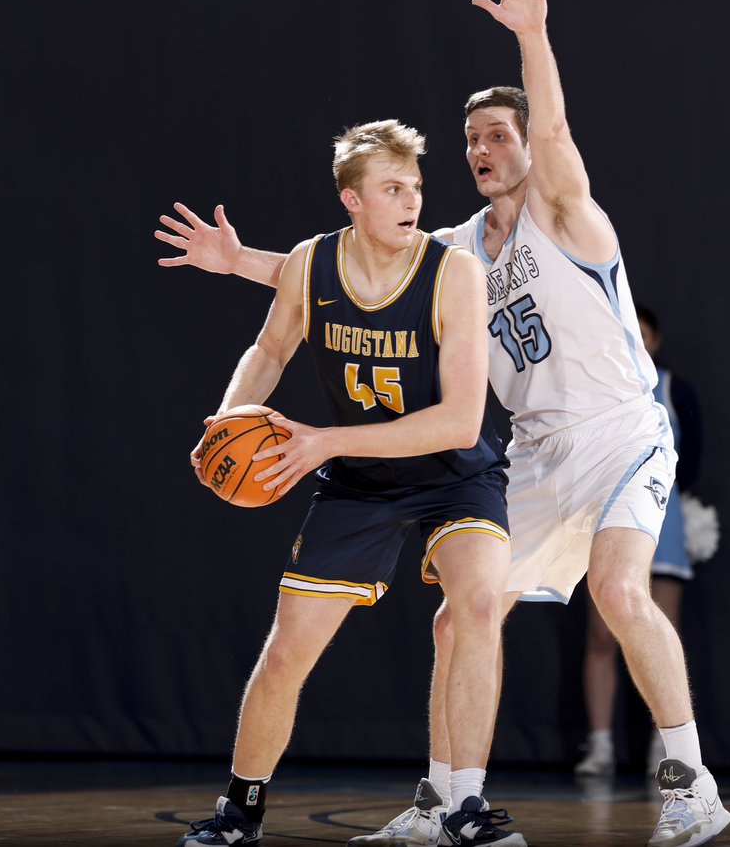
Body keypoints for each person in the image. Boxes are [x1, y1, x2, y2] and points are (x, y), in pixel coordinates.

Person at [157, 0, 730, 845]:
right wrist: (240, 264)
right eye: (470, 139)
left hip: (622, 432)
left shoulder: (566, 214)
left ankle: (691, 784)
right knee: (462, 615)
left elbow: (555, 129)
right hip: (535, 454)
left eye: (498, 135)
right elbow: (349, 264)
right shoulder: (456, 248)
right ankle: (443, 800)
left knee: (618, 588)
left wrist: (533, 36)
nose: (483, 148)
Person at [167, 120, 525, 847]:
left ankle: (466, 808)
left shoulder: (452, 270)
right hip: (362, 482)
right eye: (393, 188)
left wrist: (322, 440)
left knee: (479, 604)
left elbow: (460, 422)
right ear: (351, 200)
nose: (412, 200)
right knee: (287, 649)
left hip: (455, 476)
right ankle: (241, 812)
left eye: (417, 187)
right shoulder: (310, 265)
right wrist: (230, 418)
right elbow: (269, 349)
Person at [575, 304, 704, 777]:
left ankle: (666, 746)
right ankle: (601, 744)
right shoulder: (596, 388)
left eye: (646, 333)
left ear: (656, 339)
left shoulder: (675, 388)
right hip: (606, 518)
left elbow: (690, 464)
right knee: (601, 635)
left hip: (659, 520)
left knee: (656, 628)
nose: (639, 340)